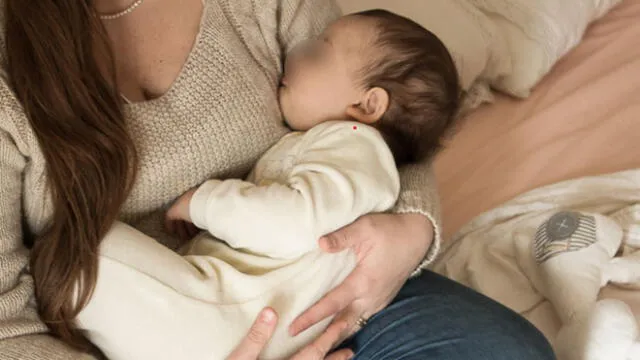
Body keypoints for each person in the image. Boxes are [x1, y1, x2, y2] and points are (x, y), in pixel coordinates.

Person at [0, 0, 555, 359]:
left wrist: (409, 229)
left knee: (505, 352)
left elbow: (389, 121)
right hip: (143, 337)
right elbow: (7, 328)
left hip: (321, 290)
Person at [75, 10, 460, 360]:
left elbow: (291, 224)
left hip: (227, 317)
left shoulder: (354, 144)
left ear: (367, 107)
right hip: (232, 321)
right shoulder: (351, 153)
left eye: (317, 54)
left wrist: (202, 202)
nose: (294, 56)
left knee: (74, 255)